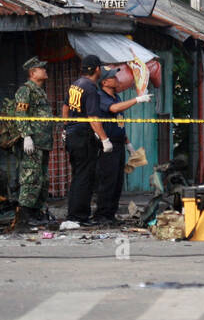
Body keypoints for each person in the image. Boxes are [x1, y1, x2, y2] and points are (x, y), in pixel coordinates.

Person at [91, 69, 152, 225]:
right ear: (104, 82)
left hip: (118, 143)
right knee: (107, 181)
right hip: (107, 145)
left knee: (118, 181)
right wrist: (137, 100)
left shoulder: (115, 96)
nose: (116, 79)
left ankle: (111, 214)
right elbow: (114, 109)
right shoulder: (101, 96)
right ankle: (102, 215)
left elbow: (119, 123)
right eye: (112, 77)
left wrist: (128, 143)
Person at [63, 54, 111, 225]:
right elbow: (93, 117)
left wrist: (66, 127)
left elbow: (65, 107)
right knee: (85, 177)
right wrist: (105, 139)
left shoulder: (75, 85)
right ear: (97, 69)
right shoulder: (91, 88)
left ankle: (74, 214)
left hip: (72, 135)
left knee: (78, 175)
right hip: (83, 136)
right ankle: (79, 216)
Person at [13, 56, 54, 224]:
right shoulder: (26, 90)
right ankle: (25, 215)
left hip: (43, 142)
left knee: (42, 179)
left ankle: (37, 212)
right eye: (41, 68)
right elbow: (20, 114)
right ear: (33, 72)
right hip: (33, 143)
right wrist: (26, 136)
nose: (45, 70)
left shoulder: (40, 91)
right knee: (31, 178)